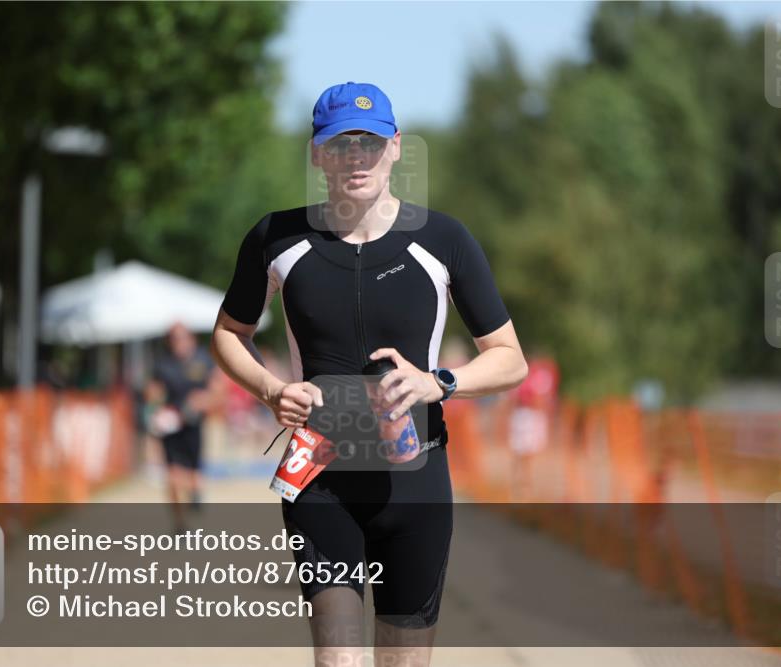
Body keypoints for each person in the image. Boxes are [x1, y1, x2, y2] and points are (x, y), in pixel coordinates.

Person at [210, 81, 528, 667]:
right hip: (320, 476)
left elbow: (510, 357)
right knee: (339, 660)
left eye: (370, 143)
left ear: (396, 147)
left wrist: (440, 382)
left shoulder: (443, 239)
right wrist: (271, 390)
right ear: (316, 154)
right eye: (340, 145)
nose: (356, 158)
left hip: (416, 479)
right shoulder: (276, 238)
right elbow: (229, 334)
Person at [154, 322, 223, 530]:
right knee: (173, 477)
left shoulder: (203, 360)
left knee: (194, 478)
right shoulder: (162, 365)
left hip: (194, 428)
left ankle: (195, 494)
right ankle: (179, 523)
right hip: (171, 428)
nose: (178, 342)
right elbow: (153, 393)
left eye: (182, 337)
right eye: (174, 338)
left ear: (191, 338)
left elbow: (218, 393)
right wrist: (156, 409)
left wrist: (201, 401)